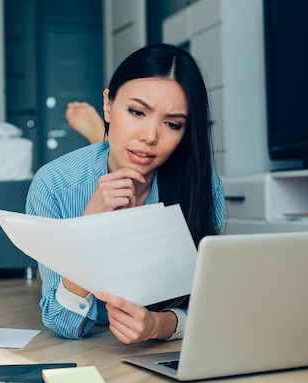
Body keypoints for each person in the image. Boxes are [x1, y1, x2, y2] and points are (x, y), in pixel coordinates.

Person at [26, 43, 225, 344]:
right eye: (136, 112)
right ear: (108, 104)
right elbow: (62, 322)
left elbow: (212, 305)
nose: (149, 136)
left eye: (172, 124)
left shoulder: (200, 182)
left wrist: (159, 325)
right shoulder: (54, 185)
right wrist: (89, 227)